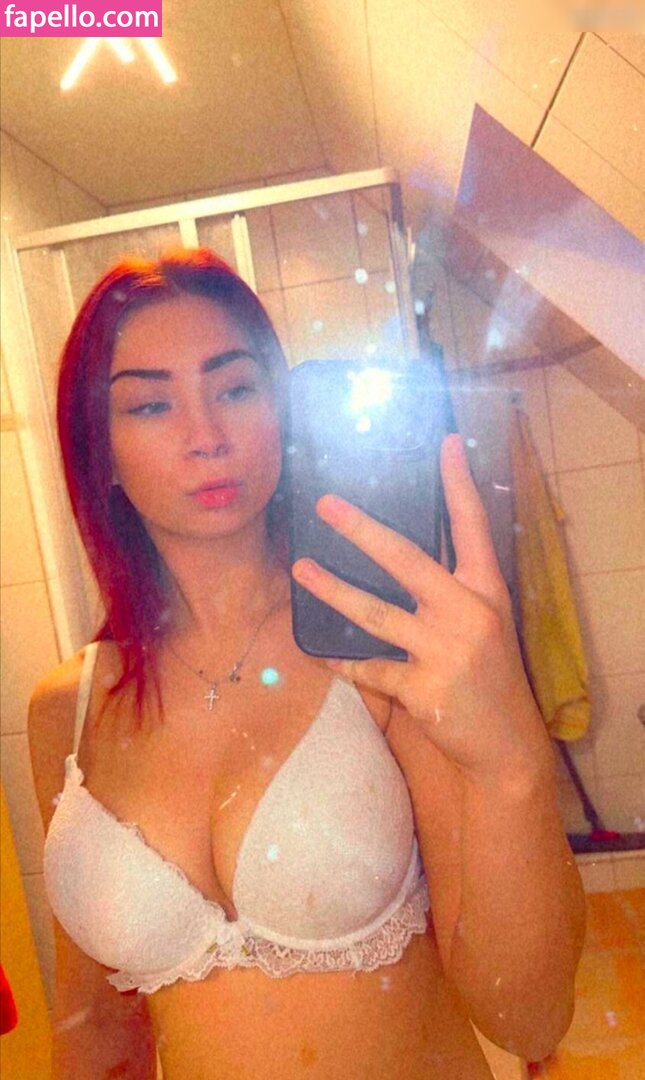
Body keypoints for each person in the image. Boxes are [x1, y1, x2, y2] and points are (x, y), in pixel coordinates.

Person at [28, 248, 586, 1080]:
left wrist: (512, 762)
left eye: (235, 389)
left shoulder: (381, 650)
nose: (206, 438)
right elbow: (97, 1031)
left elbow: (527, 1017)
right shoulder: (67, 708)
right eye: (150, 404)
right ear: (98, 449)